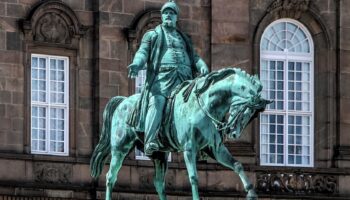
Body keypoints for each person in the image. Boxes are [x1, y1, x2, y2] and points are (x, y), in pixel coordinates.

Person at [128, 0, 208, 156]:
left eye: (171, 13)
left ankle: (199, 145)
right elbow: (142, 52)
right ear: (162, 16)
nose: (168, 15)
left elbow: (195, 57)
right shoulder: (153, 34)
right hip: (162, 79)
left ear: (176, 17)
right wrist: (137, 64)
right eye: (165, 13)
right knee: (157, 101)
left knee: (198, 105)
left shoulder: (184, 38)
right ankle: (150, 140)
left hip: (185, 80)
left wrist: (202, 65)